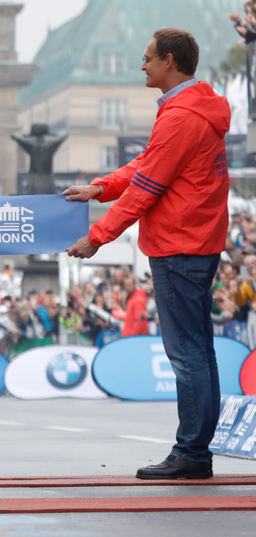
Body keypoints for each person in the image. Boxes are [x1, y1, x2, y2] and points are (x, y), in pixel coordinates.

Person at [65, 28, 229, 480]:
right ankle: (196, 449)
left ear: (170, 62)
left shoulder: (180, 116)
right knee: (199, 351)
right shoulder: (195, 107)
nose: (143, 66)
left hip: (179, 242)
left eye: (148, 58)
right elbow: (148, 166)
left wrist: (97, 237)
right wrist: (101, 188)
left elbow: (148, 186)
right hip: (197, 239)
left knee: (187, 353)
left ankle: (192, 453)